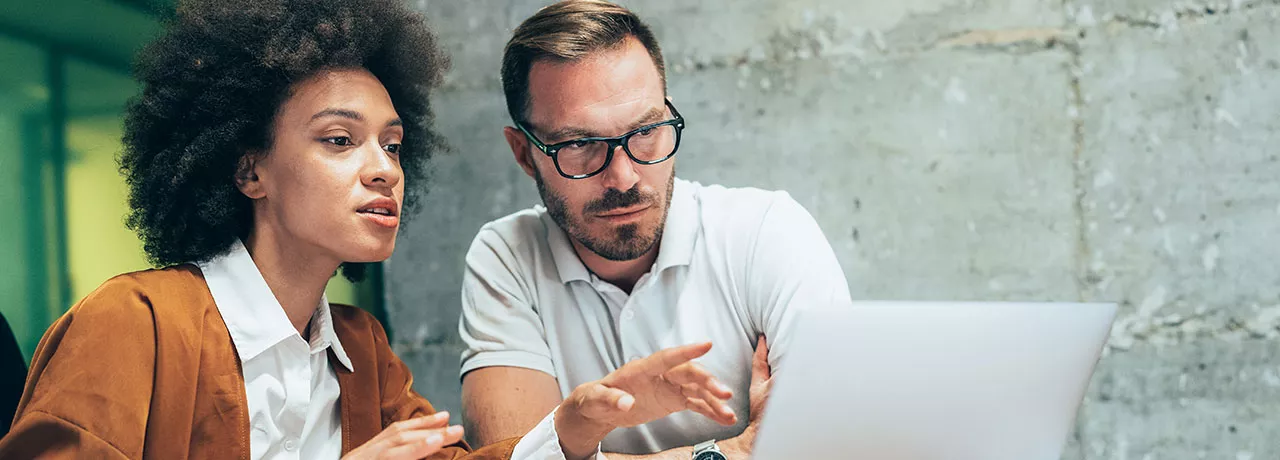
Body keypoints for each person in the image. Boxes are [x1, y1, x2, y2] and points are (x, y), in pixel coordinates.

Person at [0, 1, 734, 459]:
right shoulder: (133, 325)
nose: (383, 169)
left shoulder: (360, 350)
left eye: (391, 143)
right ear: (248, 168)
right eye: (339, 140)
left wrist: (573, 426)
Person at [458, 1, 853, 458]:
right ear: (525, 154)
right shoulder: (507, 256)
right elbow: (512, 459)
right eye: (581, 144)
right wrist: (733, 453)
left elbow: (833, 444)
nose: (624, 178)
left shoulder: (767, 232)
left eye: (646, 131)